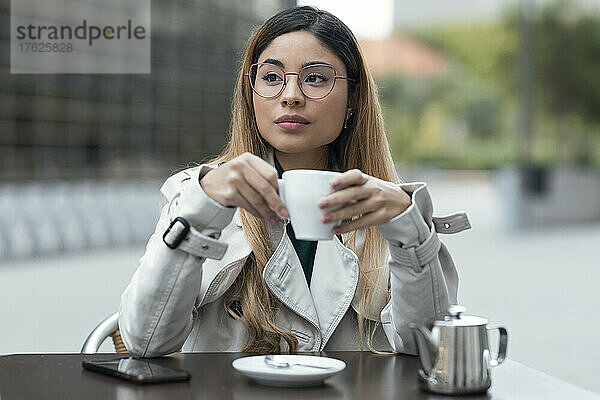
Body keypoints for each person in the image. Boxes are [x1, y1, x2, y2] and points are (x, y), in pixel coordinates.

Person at [119, 6, 470, 357]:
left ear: (353, 100)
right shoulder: (197, 193)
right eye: (272, 77)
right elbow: (145, 342)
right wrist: (200, 210)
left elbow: (435, 351)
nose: (291, 95)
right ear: (250, 94)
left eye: (316, 78)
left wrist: (408, 226)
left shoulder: (388, 207)